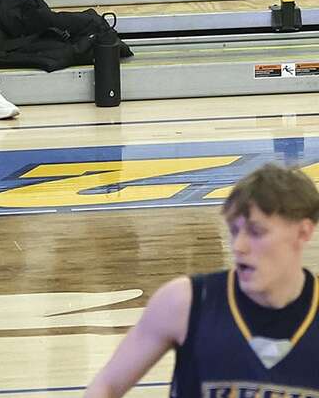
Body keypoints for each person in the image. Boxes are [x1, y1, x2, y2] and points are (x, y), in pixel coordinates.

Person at [83, 163, 319, 398]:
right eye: (235, 231)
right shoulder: (183, 302)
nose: (239, 247)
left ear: (303, 232)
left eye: (256, 232)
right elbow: (106, 386)